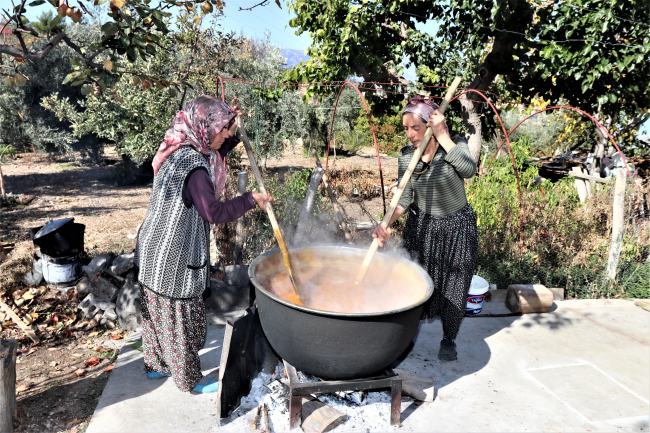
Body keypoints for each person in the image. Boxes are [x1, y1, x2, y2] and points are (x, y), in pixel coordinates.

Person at [135, 95, 274, 393]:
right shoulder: (196, 169)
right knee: (179, 318)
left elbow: (215, 147)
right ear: (205, 126)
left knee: (158, 312)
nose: (227, 135)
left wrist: (229, 121)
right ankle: (189, 380)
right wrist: (251, 199)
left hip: (152, 246)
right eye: (223, 129)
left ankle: (157, 366)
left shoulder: (179, 146)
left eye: (229, 129)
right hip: (172, 253)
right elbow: (214, 212)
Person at [372, 96, 478, 362]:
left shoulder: (454, 146)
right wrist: (385, 223)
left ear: (430, 126)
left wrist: (442, 135)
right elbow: (404, 198)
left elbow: (469, 169)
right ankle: (404, 339)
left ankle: (449, 339)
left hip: (457, 228)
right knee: (414, 283)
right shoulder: (407, 156)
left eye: (415, 128)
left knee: (455, 286)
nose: (409, 134)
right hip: (422, 227)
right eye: (406, 129)